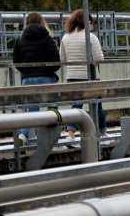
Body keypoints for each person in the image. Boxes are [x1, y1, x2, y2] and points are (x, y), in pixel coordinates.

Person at [12, 11, 61, 144]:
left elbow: (16, 60)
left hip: (28, 78)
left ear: (26, 23)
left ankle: (23, 134)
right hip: (47, 77)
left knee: (31, 109)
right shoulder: (48, 37)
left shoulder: (20, 38)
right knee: (52, 108)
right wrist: (50, 70)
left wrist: (26, 71)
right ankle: (52, 138)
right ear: (41, 22)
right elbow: (56, 60)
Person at [60, 8, 106, 134]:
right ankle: (102, 133)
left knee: (76, 107)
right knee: (97, 106)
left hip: (72, 76)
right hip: (91, 76)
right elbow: (99, 58)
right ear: (87, 22)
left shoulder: (65, 37)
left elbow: (63, 59)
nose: (92, 26)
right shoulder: (91, 37)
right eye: (91, 23)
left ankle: (71, 134)